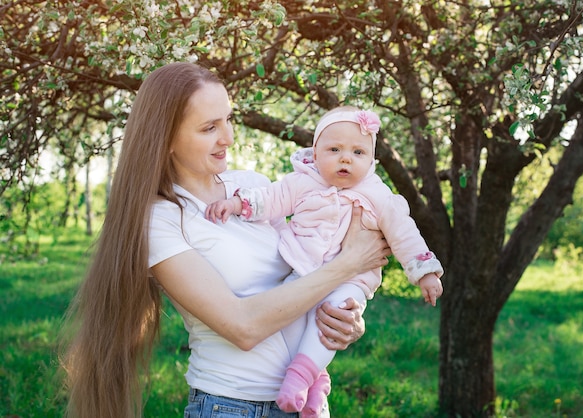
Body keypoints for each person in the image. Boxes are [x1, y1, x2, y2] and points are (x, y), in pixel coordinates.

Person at [60, 63, 392, 418]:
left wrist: (345, 317)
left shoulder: (253, 186)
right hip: (231, 406)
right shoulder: (159, 219)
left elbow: (309, 262)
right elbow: (242, 327)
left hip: (307, 402)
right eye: (209, 128)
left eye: (228, 120)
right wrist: (349, 265)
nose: (228, 138)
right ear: (166, 138)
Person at [205, 106, 444, 417]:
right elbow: (270, 198)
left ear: (371, 160)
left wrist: (424, 272)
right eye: (334, 149)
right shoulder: (302, 182)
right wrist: (236, 203)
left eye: (358, 152)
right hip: (303, 271)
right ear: (315, 153)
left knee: (333, 320)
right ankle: (315, 382)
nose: (346, 158)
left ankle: (301, 377)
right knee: (287, 324)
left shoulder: (378, 194)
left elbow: (404, 233)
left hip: (352, 281)